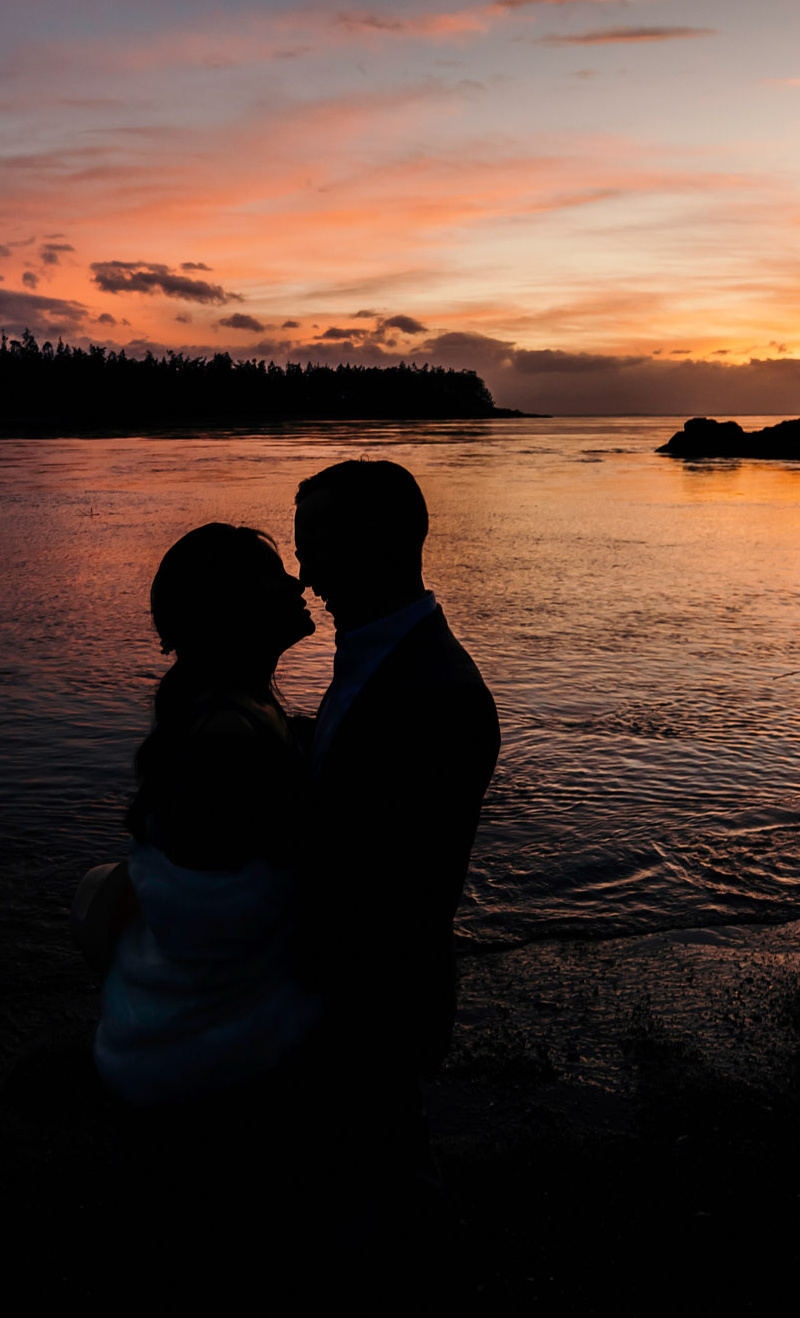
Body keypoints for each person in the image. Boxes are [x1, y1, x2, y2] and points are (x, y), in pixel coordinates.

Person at [88, 523, 325, 1239]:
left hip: (190, 1045)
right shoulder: (226, 737)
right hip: (215, 1059)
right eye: (276, 573)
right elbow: (219, 914)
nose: (300, 584)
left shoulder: (239, 713)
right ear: (237, 608)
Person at [290, 459, 501, 1256]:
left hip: (375, 992)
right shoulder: (383, 653)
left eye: (315, 547)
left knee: (383, 1175)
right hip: (362, 989)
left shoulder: (436, 692)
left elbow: (394, 883)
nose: (304, 575)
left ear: (377, 542)